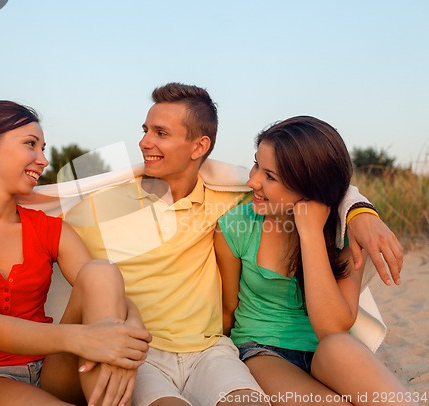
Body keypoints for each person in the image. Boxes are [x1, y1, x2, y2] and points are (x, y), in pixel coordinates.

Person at [56, 83, 404, 406]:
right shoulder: (233, 218)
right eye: (145, 131)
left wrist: (357, 213)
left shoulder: (240, 205)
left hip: (276, 352)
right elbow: (45, 227)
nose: (145, 142)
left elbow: (327, 185)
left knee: (344, 355)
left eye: (160, 133)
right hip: (230, 353)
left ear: (199, 146)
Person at [0, 101, 151, 406]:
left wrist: (131, 326)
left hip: (50, 370)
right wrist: (84, 339)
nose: (43, 160)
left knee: (100, 271)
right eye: (31, 145)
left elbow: (104, 289)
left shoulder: (48, 229)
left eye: (43, 148)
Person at [214, 116, 417, 406]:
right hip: (261, 351)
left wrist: (309, 234)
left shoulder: (345, 231)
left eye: (270, 176)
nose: (253, 181)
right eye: (257, 164)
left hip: (327, 350)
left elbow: (332, 329)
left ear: (308, 187)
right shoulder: (236, 226)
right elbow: (227, 310)